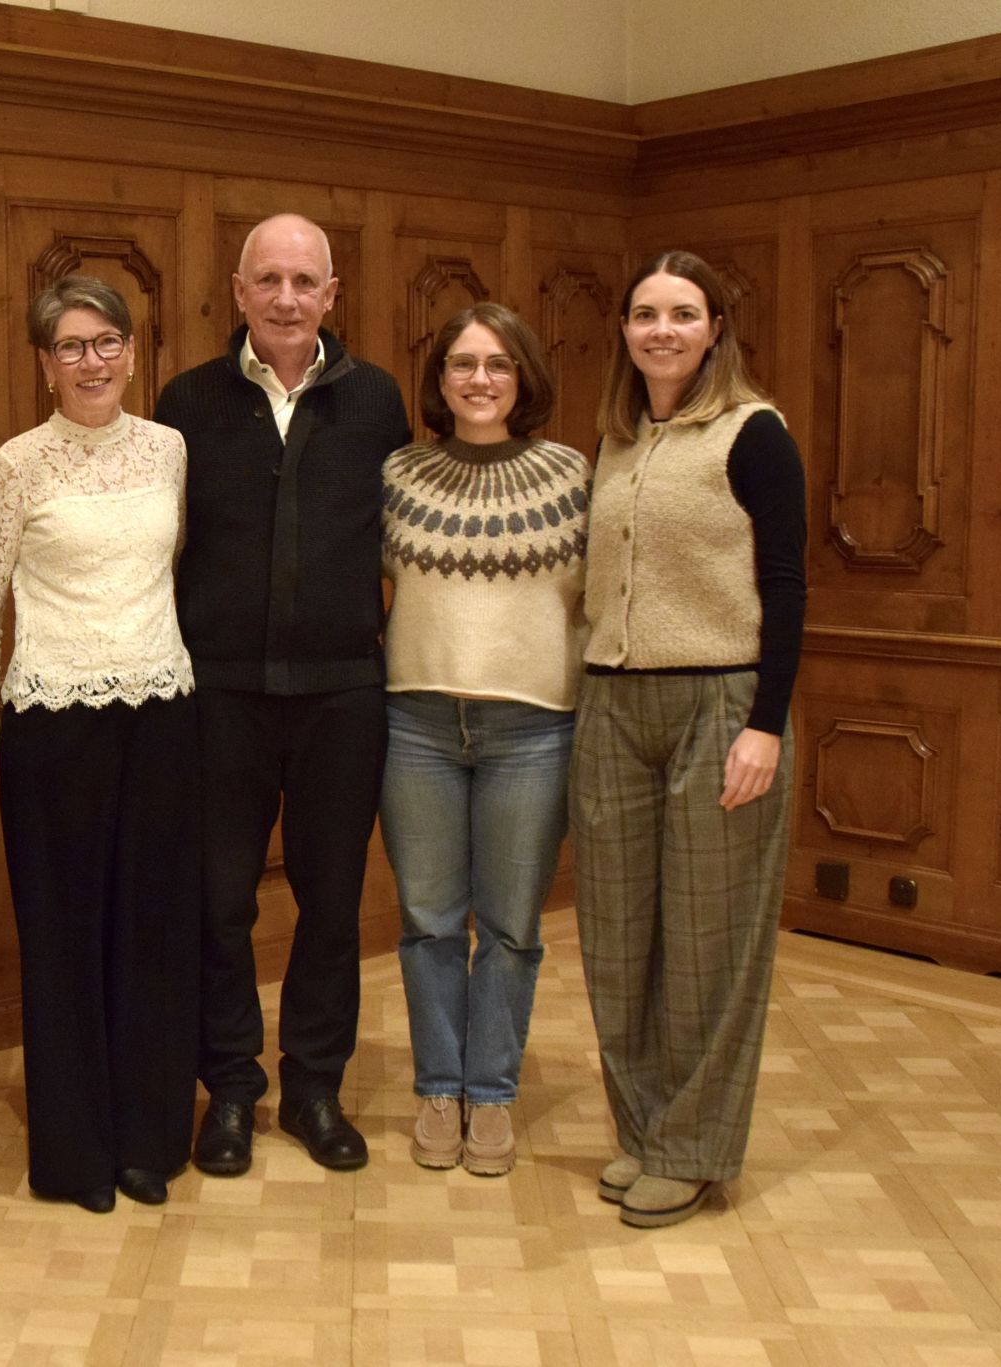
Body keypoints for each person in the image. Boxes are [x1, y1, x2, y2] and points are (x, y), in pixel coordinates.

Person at [156, 214, 411, 1177]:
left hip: (343, 693)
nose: (287, 298)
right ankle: (229, 1085)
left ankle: (314, 1086)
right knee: (218, 901)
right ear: (239, 291)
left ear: (332, 295)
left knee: (332, 903)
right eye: (268, 279)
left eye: (305, 281)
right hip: (219, 692)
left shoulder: (376, 400)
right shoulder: (187, 402)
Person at [573, 250, 806, 1228]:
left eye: (681, 313)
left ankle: (693, 1146)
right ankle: (646, 1129)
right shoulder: (617, 441)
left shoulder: (753, 434)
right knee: (617, 938)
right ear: (624, 330)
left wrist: (765, 724)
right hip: (612, 705)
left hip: (721, 703)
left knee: (709, 941)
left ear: (714, 329)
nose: (660, 330)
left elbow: (786, 584)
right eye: (643, 313)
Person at [0, 277, 198, 1213]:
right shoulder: (18, 463)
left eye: (106, 342)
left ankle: (149, 1140)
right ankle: (75, 1155)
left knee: (152, 932)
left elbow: (169, 571)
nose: (90, 360)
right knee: (64, 939)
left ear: (134, 352)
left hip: (162, 715)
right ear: (45, 363)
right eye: (70, 346)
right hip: (52, 723)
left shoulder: (170, 449)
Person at [380, 303, 589, 1178]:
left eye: (498, 363)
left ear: (523, 376)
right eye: (463, 363)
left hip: (532, 729)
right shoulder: (399, 473)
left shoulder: (572, 475)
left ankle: (492, 1092)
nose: (480, 379)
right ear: (440, 379)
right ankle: (440, 1087)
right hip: (417, 724)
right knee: (429, 921)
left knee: (509, 926)